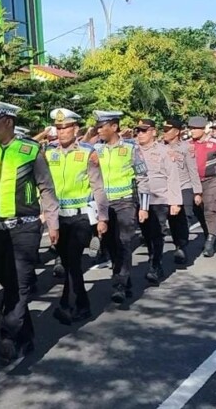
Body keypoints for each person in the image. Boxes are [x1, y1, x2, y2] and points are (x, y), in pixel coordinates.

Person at [0, 98, 60, 365]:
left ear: (8, 122)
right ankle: (27, 335)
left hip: (23, 228)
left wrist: (53, 222)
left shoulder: (30, 150)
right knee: (8, 283)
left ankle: (8, 336)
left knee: (20, 286)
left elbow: (46, 187)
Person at [44, 109, 109, 324]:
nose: (61, 132)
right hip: (58, 218)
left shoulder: (88, 153)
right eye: (59, 128)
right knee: (69, 262)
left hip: (80, 217)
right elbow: (43, 186)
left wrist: (103, 217)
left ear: (75, 129)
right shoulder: (49, 153)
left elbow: (98, 187)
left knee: (72, 260)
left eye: (66, 127)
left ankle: (66, 304)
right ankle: (83, 306)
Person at [92, 111, 149, 303]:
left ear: (114, 127)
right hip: (103, 205)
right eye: (97, 126)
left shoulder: (131, 149)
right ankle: (125, 278)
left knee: (124, 241)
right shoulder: (95, 150)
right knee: (110, 245)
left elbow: (143, 177)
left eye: (102, 126)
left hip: (125, 202)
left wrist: (144, 206)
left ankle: (120, 285)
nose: (98, 130)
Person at [133, 119, 181, 284]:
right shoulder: (132, 150)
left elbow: (173, 177)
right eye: (138, 131)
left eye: (144, 130)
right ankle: (153, 257)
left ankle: (155, 264)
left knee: (157, 233)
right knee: (146, 235)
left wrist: (175, 202)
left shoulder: (164, 151)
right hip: (137, 199)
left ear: (153, 132)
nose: (140, 134)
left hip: (159, 198)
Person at [161, 118, 203, 262]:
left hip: (184, 186)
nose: (164, 133)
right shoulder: (160, 147)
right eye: (164, 130)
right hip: (167, 189)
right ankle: (178, 243)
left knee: (184, 217)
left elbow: (193, 170)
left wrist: (197, 192)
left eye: (168, 130)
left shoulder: (186, 148)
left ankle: (182, 246)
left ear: (177, 132)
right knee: (173, 220)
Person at [187, 117, 216, 257]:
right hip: (193, 183)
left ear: (203, 129)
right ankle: (209, 233)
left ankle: (210, 241)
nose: (192, 131)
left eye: (194, 128)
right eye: (190, 128)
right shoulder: (187, 145)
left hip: (211, 180)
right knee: (198, 211)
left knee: (211, 208)